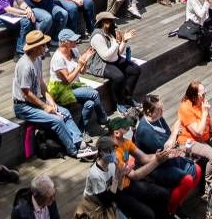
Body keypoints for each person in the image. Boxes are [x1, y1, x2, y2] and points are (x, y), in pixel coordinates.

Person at [12, 30, 96, 160]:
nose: (46, 48)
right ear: (35, 48)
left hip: (36, 100)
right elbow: (26, 93)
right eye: (43, 45)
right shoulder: (24, 65)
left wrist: (50, 101)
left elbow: (41, 83)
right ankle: (74, 151)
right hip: (23, 106)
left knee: (65, 113)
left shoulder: (37, 60)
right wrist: (44, 106)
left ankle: (80, 143)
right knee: (57, 120)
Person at [99, 115, 181, 219]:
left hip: (128, 183)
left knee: (162, 194)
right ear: (116, 133)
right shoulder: (112, 153)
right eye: (126, 128)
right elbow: (135, 175)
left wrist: (164, 155)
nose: (130, 130)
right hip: (117, 192)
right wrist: (157, 161)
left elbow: (144, 158)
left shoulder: (125, 142)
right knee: (147, 215)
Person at [132, 95, 202, 213]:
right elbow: (165, 149)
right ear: (149, 112)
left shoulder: (159, 118)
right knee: (187, 180)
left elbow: (168, 140)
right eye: (159, 110)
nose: (162, 112)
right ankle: (171, 210)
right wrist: (175, 132)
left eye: (162, 108)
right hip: (155, 166)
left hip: (169, 158)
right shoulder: (145, 130)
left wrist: (176, 140)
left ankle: (179, 203)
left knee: (198, 170)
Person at [48, 29, 108, 132]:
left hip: (75, 86)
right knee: (94, 93)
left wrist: (85, 61)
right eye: (73, 40)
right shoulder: (58, 59)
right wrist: (79, 65)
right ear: (64, 42)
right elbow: (67, 81)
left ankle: (81, 129)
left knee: (90, 103)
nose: (76, 41)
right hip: (62, 90)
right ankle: (103, 118)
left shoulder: (74, 50)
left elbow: (82, 72)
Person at [86, 11, 141, 109]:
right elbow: (105, 56)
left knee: (135, 69)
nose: (113, 23)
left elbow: (118, 53)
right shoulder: (97, 36)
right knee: (119, 77)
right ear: (104, 23)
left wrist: (124, 41)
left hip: (112, 59)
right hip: (100, 64)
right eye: (111, 21)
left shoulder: (110, 34)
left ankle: (127, 96)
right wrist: (117, 42)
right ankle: (119, 102)